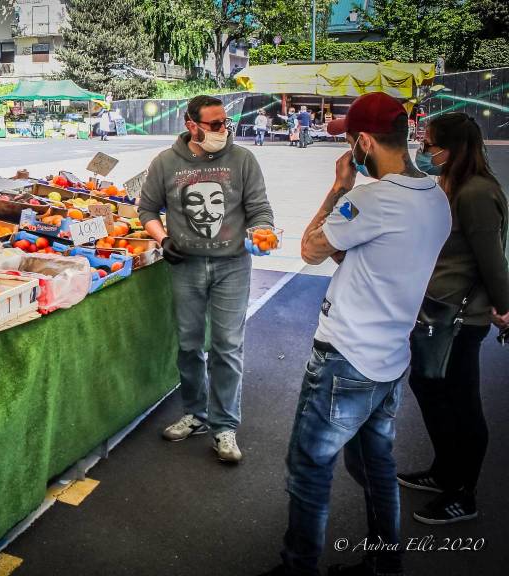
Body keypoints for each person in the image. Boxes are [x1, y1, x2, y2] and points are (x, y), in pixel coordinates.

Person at [259, 92, 451, 576]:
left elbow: (309, 249)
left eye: (349, 140)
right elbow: (368, 257)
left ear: (364, 141)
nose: (349, 149)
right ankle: (386, 563)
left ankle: (298, 567)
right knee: (374, 465)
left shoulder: (370, 198)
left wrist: (338, 187)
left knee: (309, 465)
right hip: (389, 356)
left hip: (345, 356)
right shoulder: (434, 196)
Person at [139, 95, 275, 463]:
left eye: (225, 123)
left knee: (227, 346)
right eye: (214, 124)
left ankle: (225, 426)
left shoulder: (242, 159)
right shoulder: (166, 163)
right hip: (186, 267)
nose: (223, 130)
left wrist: (263, 232)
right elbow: (147, 209)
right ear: (191, 125)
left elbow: (260, 209)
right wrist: (162, 239)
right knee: (188, 345)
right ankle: (195, 414)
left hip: (232, 266)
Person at [399, 113, 509, 524]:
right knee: (429, 385)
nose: (423, 150)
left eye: (428, 144)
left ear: (453, 149)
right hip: (439, 309)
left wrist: (503, 306)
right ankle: (445, 470)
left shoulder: (477, 193)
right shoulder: (452, 184)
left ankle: (464, 492)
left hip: (460, 317)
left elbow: (492, 260)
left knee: (461, 400)